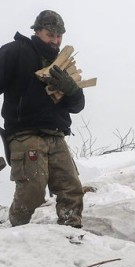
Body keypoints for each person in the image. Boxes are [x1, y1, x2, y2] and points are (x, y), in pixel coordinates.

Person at [0, 10, 85, 228]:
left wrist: (71, 90)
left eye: (59, 36)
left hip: (57, 134)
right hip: (25, 134)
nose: (55, 40)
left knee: (71, 188)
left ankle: (71, 231)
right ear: (37, 31)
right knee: (32, 189)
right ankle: (15, 232)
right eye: (50, 34)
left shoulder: (62, 62)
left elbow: (77, 106)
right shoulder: (15, 51)